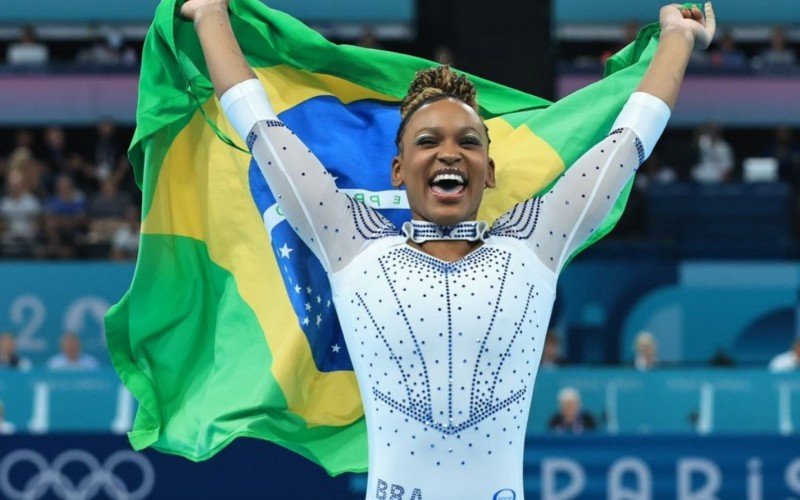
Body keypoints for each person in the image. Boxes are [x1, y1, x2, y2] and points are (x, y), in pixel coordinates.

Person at [182, 0, 714, 496]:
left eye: (468, 141)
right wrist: (210, 15)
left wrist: (678, 36)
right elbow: (260, 126)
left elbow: (629, 141)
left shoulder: (536, 242)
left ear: (490, 171)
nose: (449, 154)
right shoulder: (350, 241)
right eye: (427, 141)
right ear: (397, 171)